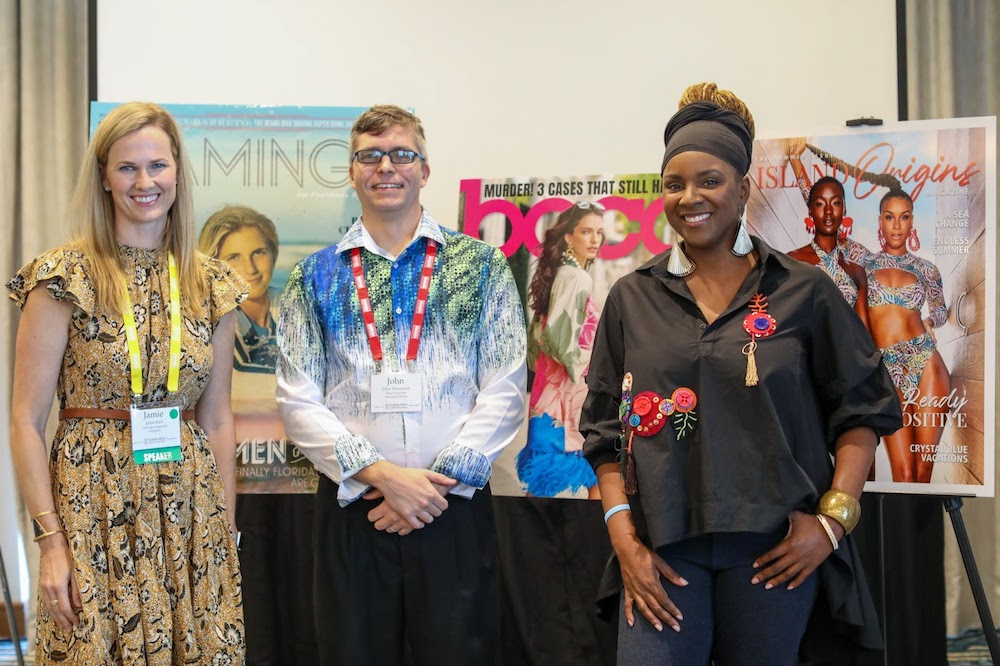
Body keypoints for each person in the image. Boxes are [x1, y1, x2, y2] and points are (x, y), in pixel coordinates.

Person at [581, 83, 902, 665]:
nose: (689, 197)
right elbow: (603, 434)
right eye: (673, 184)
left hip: (773, 552)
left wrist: (832, 524)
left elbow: (862, 412)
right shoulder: (633, 298)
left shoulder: (803, 292)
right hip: (663, 549)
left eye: (709, 180)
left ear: (744, 188)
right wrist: (624, 542)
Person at [275, 104, 526, 665]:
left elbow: (507, 389)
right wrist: (386, 477)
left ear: (424, 169)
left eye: (401, 154)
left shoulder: (480, 265)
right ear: (353, 171)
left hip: (452, 510)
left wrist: (433, 487)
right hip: (356, 509)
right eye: (370, 155)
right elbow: (297, 399)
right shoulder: (314, 275)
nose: (386, 166)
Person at [7, 101, 247, 664]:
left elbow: (216, 418)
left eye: (157, 166)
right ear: (104, 177)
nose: (145, 182)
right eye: (127, 168)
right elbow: (24, 421)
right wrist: (49, 544)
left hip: (191, 511)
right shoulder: (63, 277)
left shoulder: (212, 283)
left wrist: (225, 534)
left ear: (178, 171)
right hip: (92, 510)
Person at [199, 205, 318, 665]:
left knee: (306, 614)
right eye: (233, 258)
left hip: (302, 483)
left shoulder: (302, 314)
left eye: (260, 252)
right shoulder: (201, 321)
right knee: (250, 617)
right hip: (237, 488)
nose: (251, 269)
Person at [517, 202, 605, 498]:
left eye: (599, 233)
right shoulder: (578, 277)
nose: (595, 240)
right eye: (586, 232)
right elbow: (557, 335)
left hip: (550, 383)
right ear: (569, 237)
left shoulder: (558, 273)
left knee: (556, 476)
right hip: (568, 387)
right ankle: (595, 541)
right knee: (591, 472)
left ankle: (535, 542)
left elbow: (539, 334)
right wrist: (587, 369)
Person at [865, 189, 949, 483]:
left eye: (903, 217)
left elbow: (941, 310)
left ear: (912, 221)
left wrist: (928, 320)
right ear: (880, 221)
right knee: (903, 473)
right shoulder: (864, 264)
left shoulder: (926, 269)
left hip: (925, 361)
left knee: (924, 473)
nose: (897, 226)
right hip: (885, 368)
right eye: (890, 217)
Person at [786, 144, 870, 328]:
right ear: (811, 211)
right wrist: (795, 161)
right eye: (820, 205)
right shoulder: (791, 261)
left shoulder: (857, 260)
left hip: (848, 354)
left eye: (836, 204)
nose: (829, 212)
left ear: (844, 209)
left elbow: (865, 339)